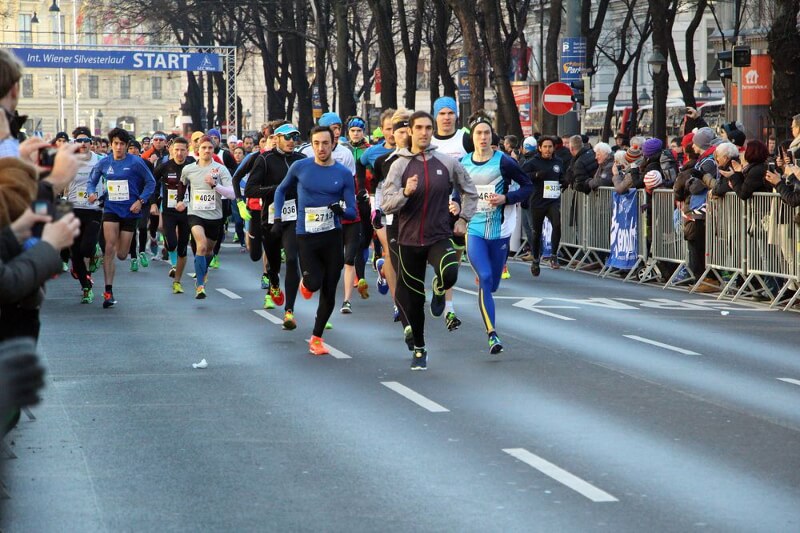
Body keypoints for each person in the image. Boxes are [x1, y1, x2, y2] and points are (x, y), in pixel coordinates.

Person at [382, 110, 477, 370]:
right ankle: (420, 350)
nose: (424, 132)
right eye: (419, 128)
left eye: (427, 128)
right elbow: (386, 204)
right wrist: (405, 192)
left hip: (438, 235)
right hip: (409, 241)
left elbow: (470, 191)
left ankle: (438, 287)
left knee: (451, 273)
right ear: (410, 131)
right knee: (414, 301)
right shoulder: (399, 164)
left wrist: (463, 219)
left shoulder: (446, 162)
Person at [273, 126, 357, 355]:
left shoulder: (343, 174)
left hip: (332, 236)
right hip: (306, 235)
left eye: (325, 143)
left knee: (330, 289)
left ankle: (316, 338)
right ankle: (306, 284)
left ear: (333, 145)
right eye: (316, 143)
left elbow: (352, 211)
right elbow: (280, 191)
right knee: (314, 284)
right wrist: (278, 217)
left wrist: (339, 210)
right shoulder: (301, 167)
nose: (321, 148)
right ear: (311, 144)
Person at [462, 117, 531, 354]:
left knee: (493, 285)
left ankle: (488, 284)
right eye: (478, 133)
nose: (482, 137)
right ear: (472, 137)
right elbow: (455, 191)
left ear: (492, 137)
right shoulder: (463, 163)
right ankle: (492, 334)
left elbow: (527, 186)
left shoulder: (504, 162)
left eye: (486, 133)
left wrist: (506, 198)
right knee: (485, 276)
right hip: (475, 230)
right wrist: (453, 205)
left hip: (500, 231)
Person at [86, 128, 156, 308]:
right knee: (109, 248)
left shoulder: (136, 162)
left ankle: (119, 241)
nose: (118, 147)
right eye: (115, 144)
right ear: (111, 145)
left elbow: (151, 182)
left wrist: (141, 201)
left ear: (126, 146)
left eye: (122, 144)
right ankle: (108, 292)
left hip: (131, 211)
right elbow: (91, 181)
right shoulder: (104, 163)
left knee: (122, 254)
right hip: (111, 209)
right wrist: (91, 193)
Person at [245, 123, 305, 313]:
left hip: (294, 218)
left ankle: (289, 310)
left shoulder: (301, 159)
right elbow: (250, 189)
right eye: (287, 137)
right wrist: (277, 189)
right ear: (276, 138)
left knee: (292, 258)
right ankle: (274, 282)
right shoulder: (265, 159)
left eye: (294, 138)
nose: (291, 142)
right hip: (270, 218)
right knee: (273, 264)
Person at [432, 97, 474, 332]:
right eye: (442, 113)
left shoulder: (465, 138)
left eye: (450, 113)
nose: (446, 117)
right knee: (439, 255)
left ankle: (446, 296)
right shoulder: (428, 138)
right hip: (433, 208)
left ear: (456, 115)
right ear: (435, 116)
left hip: (457, 208)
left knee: (454, 262)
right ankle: (445, 298)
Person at [177, 135, 235, 298]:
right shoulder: (188, 169)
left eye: (210, 148)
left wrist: (215, 185)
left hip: (215, 216)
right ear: (197, 150)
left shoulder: (220, 169)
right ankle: (200, 285)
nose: (207, 150)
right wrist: (181, 201)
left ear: (213, 149)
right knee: (201, 245)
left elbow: (232, 194)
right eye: (203, 148)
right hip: (195, 213)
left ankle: (203, 270)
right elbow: (182, 185)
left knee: (208, 251)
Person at [64, 126, 104, 303]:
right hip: (74, 209)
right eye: (78, 141)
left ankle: (94, 251)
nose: (82, 144)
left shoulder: (100, 160)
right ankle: (86, 288)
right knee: (76, 253)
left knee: (86, 248)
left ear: (91, 143)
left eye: (86, 140)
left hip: (94, 209)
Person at [152, 136, 194, 294]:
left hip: (187, 211)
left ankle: (177, 280)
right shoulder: (164, 167)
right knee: (172, 242)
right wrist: (153, 203)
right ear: (170, 150)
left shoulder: (192, 166)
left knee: (183, 248)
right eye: (176, 150)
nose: (179, 153)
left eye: (183, 150)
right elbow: (152, 183)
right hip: (169, 211)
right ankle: (173, 262)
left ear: (187, 151)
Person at [522, 135, 565, 275]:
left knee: (557, 225)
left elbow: (562, 177)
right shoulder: (533, 162)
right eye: (545, 147)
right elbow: (521, 175)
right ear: (539, 148)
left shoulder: (558, 162)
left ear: (554, 148)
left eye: (550, 147)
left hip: (552, 201)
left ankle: (553, 256)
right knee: (536, 232)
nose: (547, 150)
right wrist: (535, 175)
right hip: (537, 202)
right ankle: (535, 259)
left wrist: (565, 181)